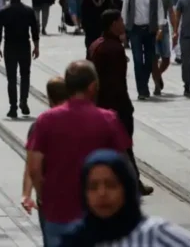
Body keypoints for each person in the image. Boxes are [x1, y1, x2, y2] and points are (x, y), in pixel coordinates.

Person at [27, 60, 131, 247]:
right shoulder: (108, 119)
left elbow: (34, 168)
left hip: (57, 214)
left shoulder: (45, 121)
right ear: (93, 87)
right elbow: (124, 168)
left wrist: (45, 196)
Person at [59, 150, 190, 246]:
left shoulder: (154, 233)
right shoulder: (73, 239)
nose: (102, 193)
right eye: (93, 187)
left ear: (127, 189)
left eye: (111, 185)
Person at [88, 9, 153, 196]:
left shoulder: (96, 45)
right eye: (120, 20)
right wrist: (124, 107)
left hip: (99, 103)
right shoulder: (113, 49)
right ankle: (133, 183)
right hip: (115, 105)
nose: (123, 24)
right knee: (124, 145)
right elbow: (117, 82)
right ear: (113, 24)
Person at [21, 77, 68, 245]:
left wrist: (28, 194)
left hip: (50, 197)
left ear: (49, 98)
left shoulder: (40, 125)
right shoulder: (81, 121)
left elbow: (32, 166)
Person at [0, 0, 39, 118]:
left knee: (11, 78)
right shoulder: (28, 11)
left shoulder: (3, 12)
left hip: (10, 46)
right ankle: (23, 102)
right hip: (24, 45)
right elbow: (34, 30)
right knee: (25, 75)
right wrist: (36, 47)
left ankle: (13, 106)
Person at [122, 0, 166, 100]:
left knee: (149, 60)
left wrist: (160, 28)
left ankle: (144, 84)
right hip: (135, 30)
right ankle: (142, 89)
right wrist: (123, 30)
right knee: (137, 60)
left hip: (149, 30)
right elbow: (124, 10)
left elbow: (159, 10)